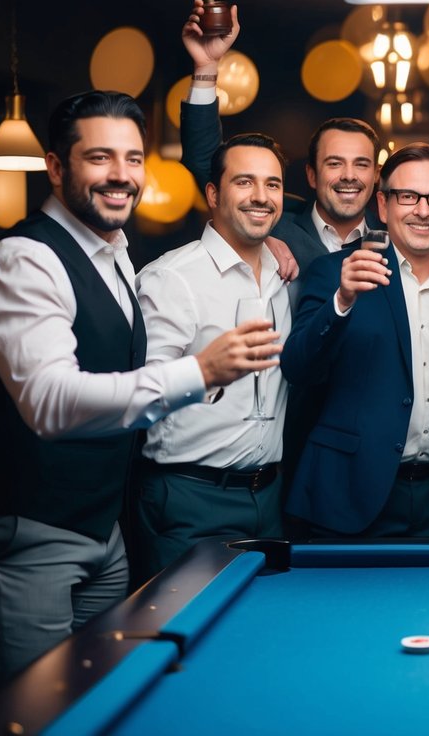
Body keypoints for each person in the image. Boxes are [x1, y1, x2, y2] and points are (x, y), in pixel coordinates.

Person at [0, 91, 280, 692]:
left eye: (133, 158)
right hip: (23, 532)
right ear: (56, 166)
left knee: (103, 695)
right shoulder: (22, 260)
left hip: (102, 529)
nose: (121, 174)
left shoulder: (114, 253)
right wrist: (200, 371)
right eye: (100, 157)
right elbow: (51, 403)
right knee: (34, 709)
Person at [282, 143, 429, 537]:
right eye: (408, 196)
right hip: (348, 493)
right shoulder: (337, 271)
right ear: (383, 205)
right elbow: (298, 368)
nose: (423, 210)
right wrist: (341, 301)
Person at [132, 133, 292, 581]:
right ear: (213, 194)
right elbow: (140, 397)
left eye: (273, 184)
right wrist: (207, 374)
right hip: (191, 497)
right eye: (244, 182)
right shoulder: (172, 279)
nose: (261, 196)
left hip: (269, 498)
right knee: (180, 621)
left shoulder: (285, 274)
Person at [178, 0, 383, 270]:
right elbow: (206, 160)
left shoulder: (395, 233)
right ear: (312, 174)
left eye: (361, 164)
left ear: (376, 174)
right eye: (334, 163)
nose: (349, 175)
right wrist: (206, 67)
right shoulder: (275, 219)